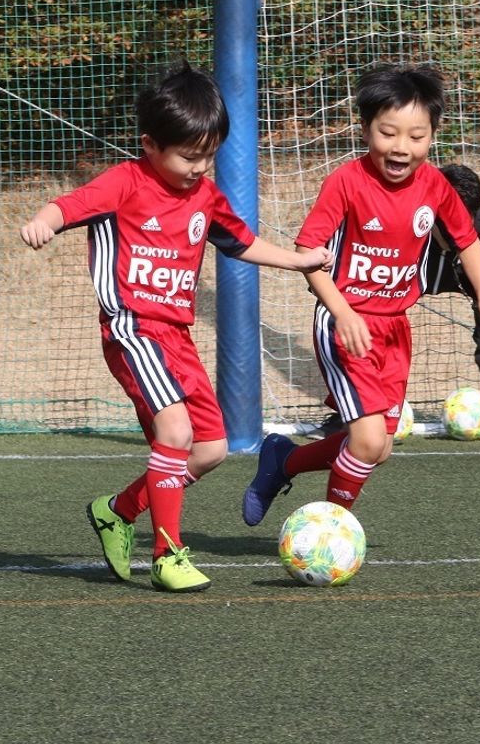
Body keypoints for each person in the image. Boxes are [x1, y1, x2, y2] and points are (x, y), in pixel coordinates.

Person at [21, 62, 331, 591]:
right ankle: (167, 555)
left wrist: (296, 261)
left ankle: (117, 510)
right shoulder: (124, 183)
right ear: (150, 145)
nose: (200, 166)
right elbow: (69, 205)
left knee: (210, 449)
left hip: (177, 338)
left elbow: (240, 242)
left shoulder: (205, 198)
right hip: (133, 328)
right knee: (175, 432)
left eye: (208, 155)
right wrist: (45, 221)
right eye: (189, 155)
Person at [241, 63, 480, 526]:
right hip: (347, 324)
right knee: (366, 441)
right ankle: (328, 530)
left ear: (432, 136)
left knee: (378, 448)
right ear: (367, 128)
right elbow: (308, 250)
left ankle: (281, 462)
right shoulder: (347, 182)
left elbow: (465, 240)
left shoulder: (436, 187)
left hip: (394, 330)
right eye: (388, 133)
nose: (401, 147)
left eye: (416, 136)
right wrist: (342, 311)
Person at [310, 163, 480, 441]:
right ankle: (346, 411)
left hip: (470, 270)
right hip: (415, 263)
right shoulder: (411, 217)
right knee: (367, 310)